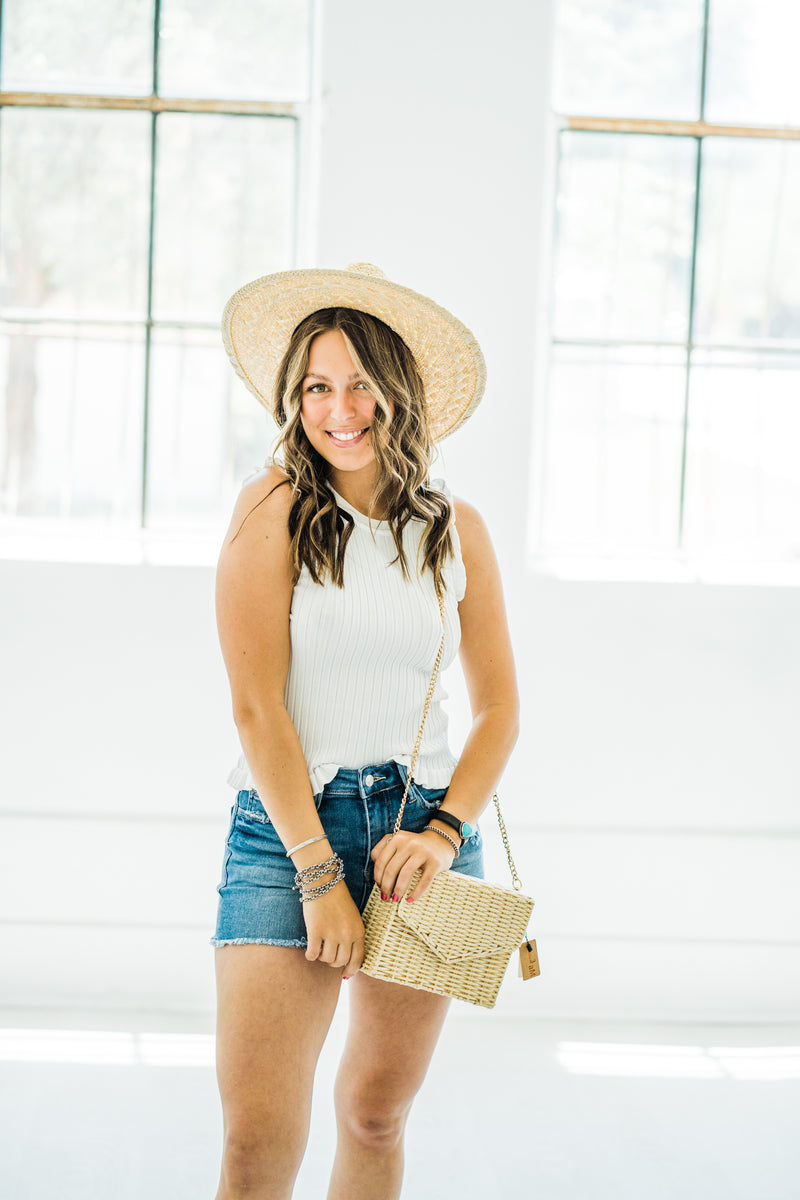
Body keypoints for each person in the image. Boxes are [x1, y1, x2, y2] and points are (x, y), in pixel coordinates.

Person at [210, 262, 519, 1200]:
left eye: (360, 385)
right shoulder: (271, 508)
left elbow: (500, 710)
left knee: (377, 1116)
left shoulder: (456, 527)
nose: (337, 409)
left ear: (401, 393)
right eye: (315, 386)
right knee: (259, 1144)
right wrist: (316, 875)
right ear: (293, 397)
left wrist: (442, 831)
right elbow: (257, 709)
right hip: (285, 835)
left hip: (425, 840)